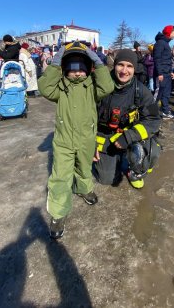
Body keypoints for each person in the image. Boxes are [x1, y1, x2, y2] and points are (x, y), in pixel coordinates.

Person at [38, 41, 114, 239]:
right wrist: (56, 61)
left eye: (82, 68)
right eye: (72, 68)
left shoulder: (92, 88)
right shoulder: (60, 89)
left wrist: (97, 59)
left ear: (88, 69)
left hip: (86, 139)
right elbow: (45, 87)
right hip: (63, 141)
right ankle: (58, 213)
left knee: (84, 168)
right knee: (61, 176)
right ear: (65, 69)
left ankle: (84, 188)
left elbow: (107, 86)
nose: (77, 73)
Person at [94, 49, 162, 190]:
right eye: (121, 65)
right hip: (105, 137)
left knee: (152, 150)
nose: (124, 70)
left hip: (130, 136)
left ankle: (135, 172)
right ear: (115, 65)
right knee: (107, 179)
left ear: (135, 69)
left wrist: (129, 137)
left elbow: (153, 119)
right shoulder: (100, 86)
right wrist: (89, 145)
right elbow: (85, 118)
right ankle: (116, 159)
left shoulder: (141, 91)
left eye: (129, 66)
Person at [153, 25, 174, 119]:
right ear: (169, 32)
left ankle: (165, 111)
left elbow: (167, 60)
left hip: (167, 74)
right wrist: (159, 73)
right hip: (161, 74)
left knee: (166, 94)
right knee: (158, 94)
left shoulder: (166, 43)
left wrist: (171, 71)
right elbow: (157, 59)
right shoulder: (160, 43)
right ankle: (151, 113)